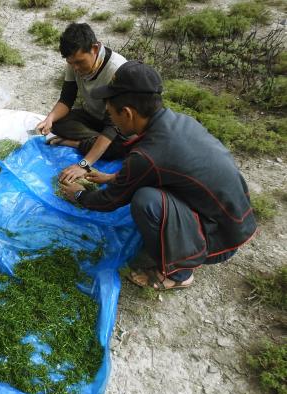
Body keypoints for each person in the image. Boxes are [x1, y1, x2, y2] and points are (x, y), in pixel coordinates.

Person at [59, 61, 257, 290]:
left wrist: (80, 195)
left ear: (127, 113)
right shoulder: (177, 121)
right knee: (148, 190)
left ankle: (179, 274)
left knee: (146, 201)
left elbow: (109, 201)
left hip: (221, 239)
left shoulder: (148, 154)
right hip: (236, 220)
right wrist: (112, 178)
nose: (109, 118)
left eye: (111, 113)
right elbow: (165, 169)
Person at [36, 22, 127, 183]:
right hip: (92, 117)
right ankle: (98, 144)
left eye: (80, 62)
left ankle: (77, 143)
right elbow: (66, 99)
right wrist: (49, 119)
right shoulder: (73, 62)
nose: (76, 68)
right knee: (58, 122)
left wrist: (84, 164)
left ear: (95, 48)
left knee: (121, 146)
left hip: (116, 124)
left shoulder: (117, 70)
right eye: (71, 63)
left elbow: (113, 126)